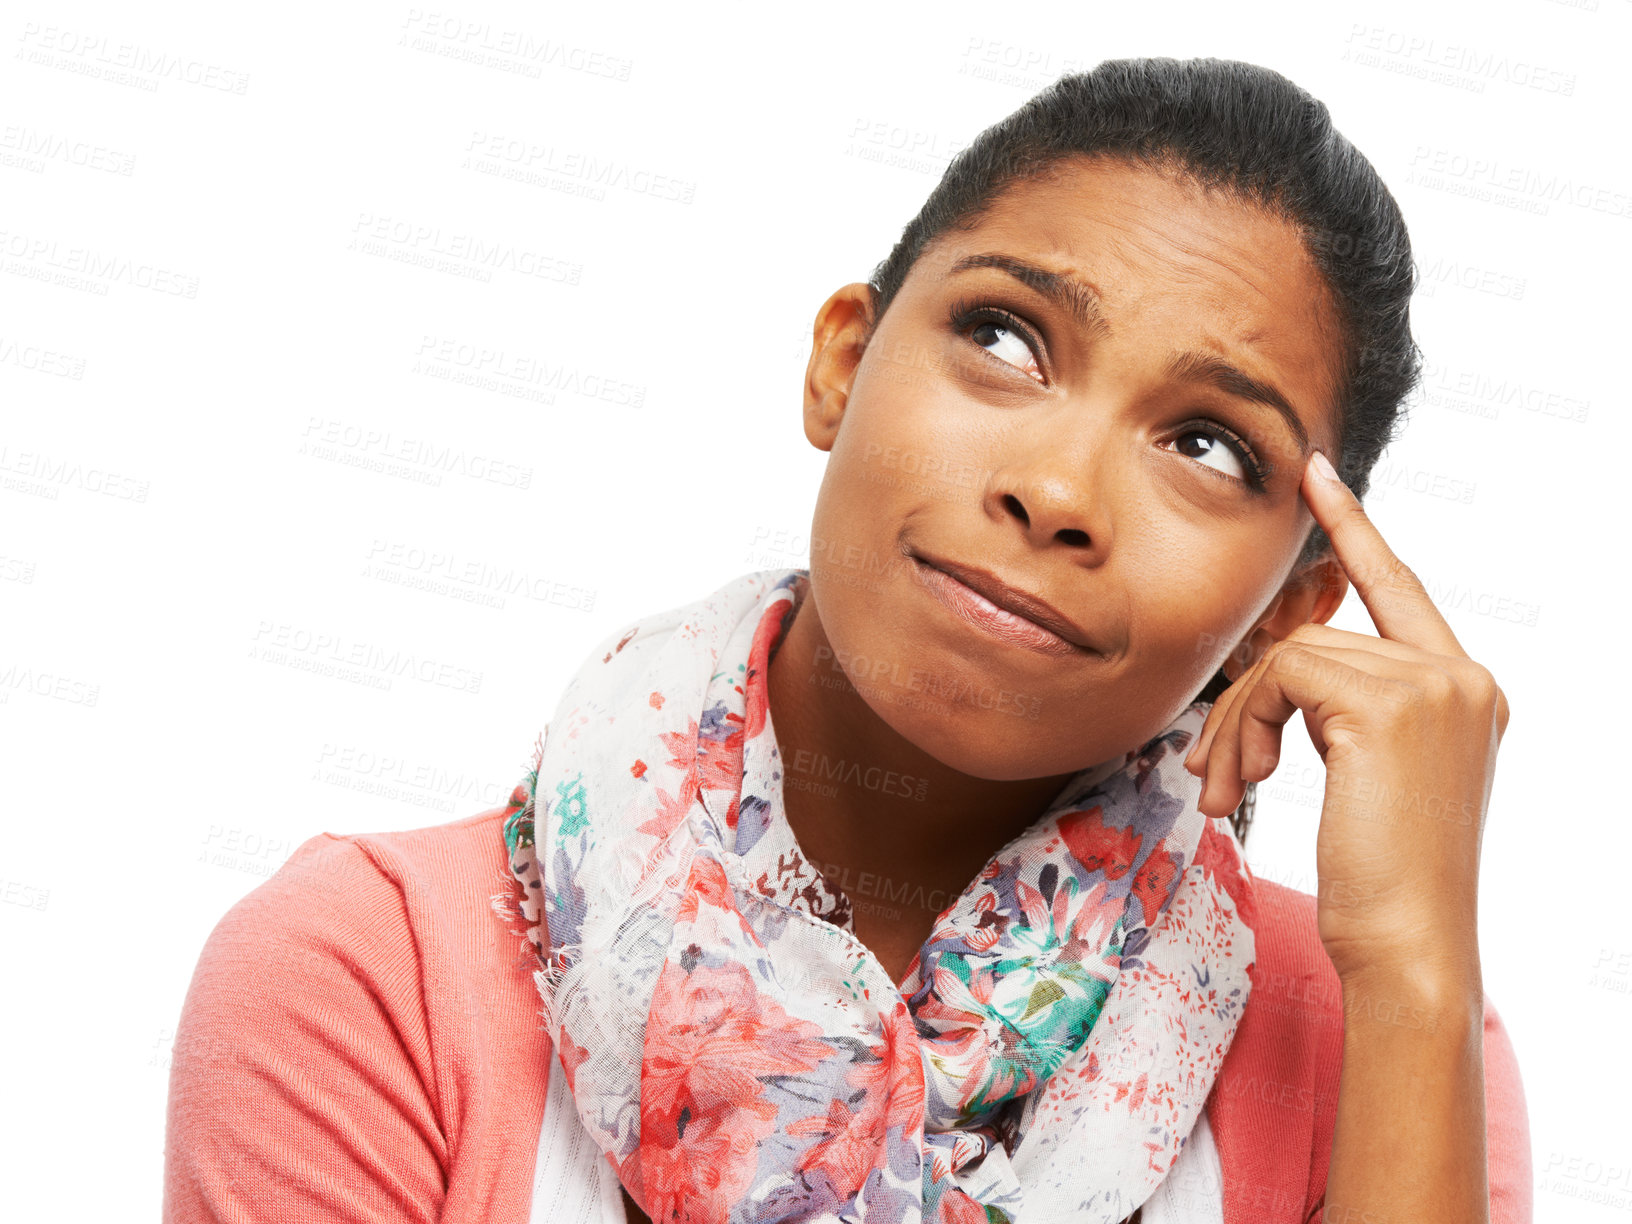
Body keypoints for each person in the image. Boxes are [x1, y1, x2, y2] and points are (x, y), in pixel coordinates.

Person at [162, 57, 1530, 1224]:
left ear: (1292, 608)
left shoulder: (1377, 1042)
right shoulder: (373, 980)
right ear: (841, 363)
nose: (1056, 494)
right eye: (1004, 337)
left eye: (1207, 446)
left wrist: (1417, 974)